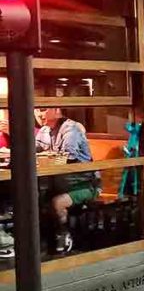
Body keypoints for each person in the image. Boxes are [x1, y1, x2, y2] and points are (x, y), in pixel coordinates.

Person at [35, 108, 97, 254]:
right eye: (36, 109)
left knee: (57, 202)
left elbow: (67, 156)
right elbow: (33, 149)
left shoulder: (71, 129)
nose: (38, 113)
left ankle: (64, 234)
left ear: (57, 110)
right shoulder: (44, 130)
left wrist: (42, 156)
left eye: (43, 109)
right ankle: (38, 241)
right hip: (58, 184)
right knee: (33, 200)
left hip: (84, 185)